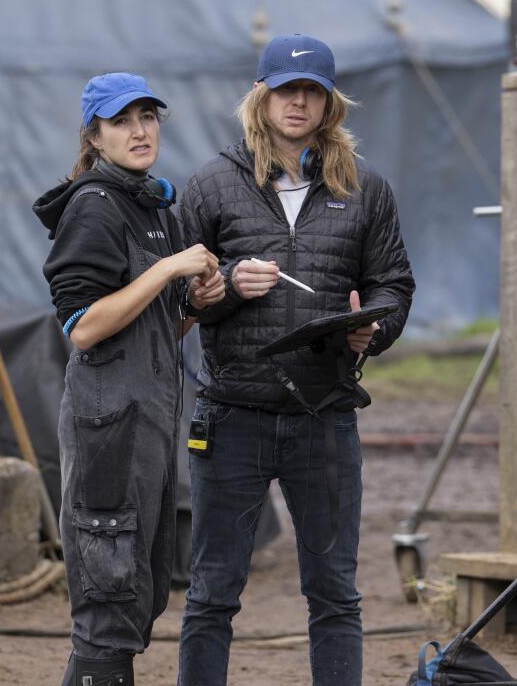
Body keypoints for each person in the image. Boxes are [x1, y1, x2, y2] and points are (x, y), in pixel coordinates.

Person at [177, 34, 415, 685]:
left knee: (335, 594)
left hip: (326, 416)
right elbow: (176, 290)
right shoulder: (212, 184)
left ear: (329, 102)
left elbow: (394, 283)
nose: (298, 101)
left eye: (311, 90)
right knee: (211, 594)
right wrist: (225, 284)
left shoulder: (366, 189)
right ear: (262, 95)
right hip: (232, 416)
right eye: (286, 88)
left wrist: (377, 327)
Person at [33, 72, 225, 686]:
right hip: (106, 433)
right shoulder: (92, 207)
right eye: (121, 122)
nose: (139, 131)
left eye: (148, 117)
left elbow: (150, 333)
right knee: (108, 599)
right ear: (94, 137)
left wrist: (194, 304)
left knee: (129, 601)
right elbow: (83, 328)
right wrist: (168, 267)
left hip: (146, 429)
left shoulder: (151, 207)